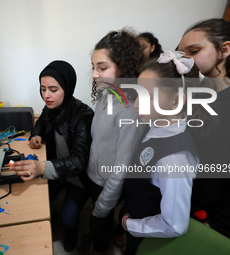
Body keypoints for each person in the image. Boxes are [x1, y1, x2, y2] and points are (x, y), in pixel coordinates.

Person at [121, 50, 201, 254]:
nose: (136, 104)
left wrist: (131, 226)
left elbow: (174, 224)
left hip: (148, 239)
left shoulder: (174, 160)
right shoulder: (156, 125)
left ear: (175, 102)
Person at [10, 60, 94, 252]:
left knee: (68, 218)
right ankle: (53, 216)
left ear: (67, 87)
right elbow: (41, 121)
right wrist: (36, 134)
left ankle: (72, 230)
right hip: (55, 169)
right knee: (35, 203)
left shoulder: (84, 115)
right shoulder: (50, 107)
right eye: (43, 89)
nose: (46, 95)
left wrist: (41, 168)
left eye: (53, 89)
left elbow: (80, 160)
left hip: (77, 177)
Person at [177, 18, 230, 237]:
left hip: (207, 215)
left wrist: (217, 225)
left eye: (194, 51)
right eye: (181, 55)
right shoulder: (196, 93)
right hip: (180, 199)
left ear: (224, 49)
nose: (185, 61)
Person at [86, 28, 145, 254]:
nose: (94, 74)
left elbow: (121, 168)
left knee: (97, 220)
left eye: (102, 68)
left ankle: (102, 246)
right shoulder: (107, 93)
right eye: (93, 67)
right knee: (101, 218)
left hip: (107, 182)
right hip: (96, 174)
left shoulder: (130, 110)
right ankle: (112, 233)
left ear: (124, 67)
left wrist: (101, 206)